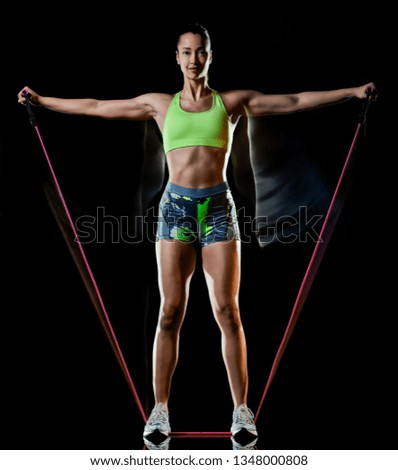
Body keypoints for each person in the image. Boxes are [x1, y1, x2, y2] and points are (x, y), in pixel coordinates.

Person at [17, 22, 376, 446]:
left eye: (201, 51)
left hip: (218, 211)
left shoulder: (231, 103)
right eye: (186, 52)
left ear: (210, 55)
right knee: (170, 312)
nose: (193, 60)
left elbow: (294, 101)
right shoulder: (158, 105)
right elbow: (97, 106)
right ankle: (160, 412)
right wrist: (41, 101)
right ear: (176, 57)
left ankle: (242, 412)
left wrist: (352, 92)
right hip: (175, 211)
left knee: (228, 311)